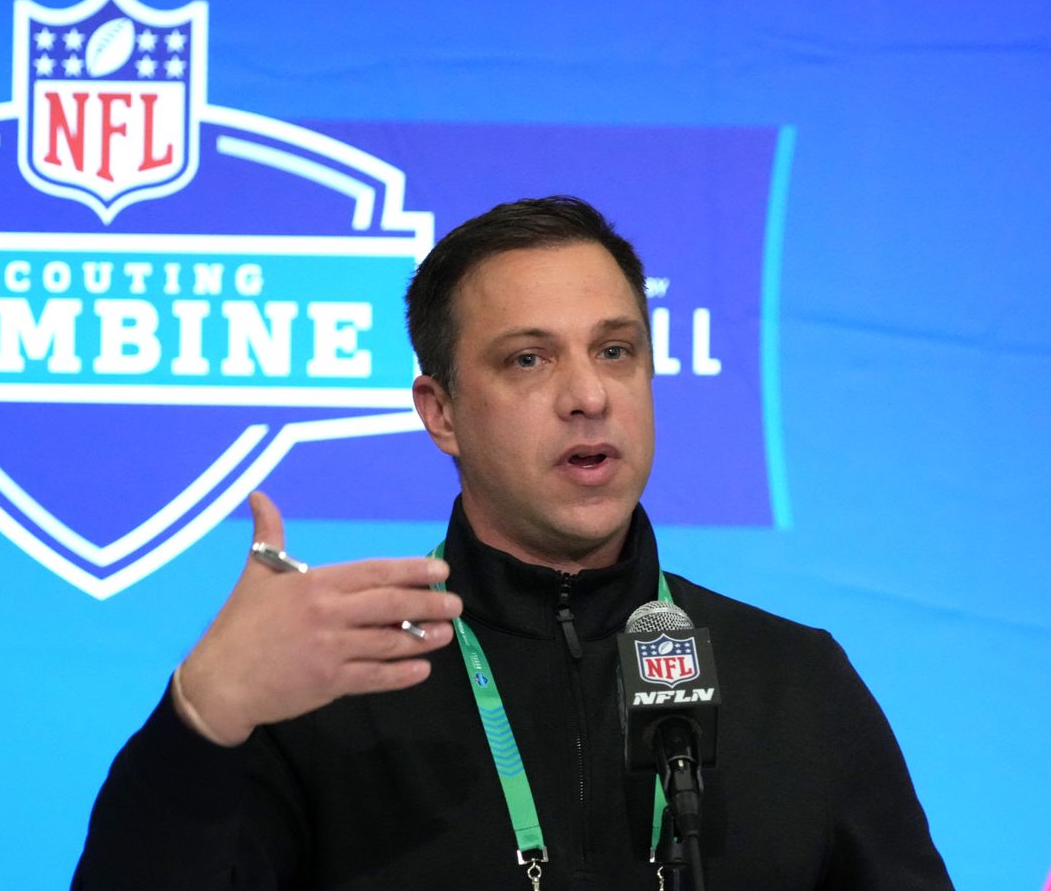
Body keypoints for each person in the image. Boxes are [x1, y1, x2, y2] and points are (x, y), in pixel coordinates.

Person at [73, 196, 955, 890]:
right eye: (528, 360)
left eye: (616, 350)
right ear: (442, 411)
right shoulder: (328, 690)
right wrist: (200, 720)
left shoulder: (795, 683)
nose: (588, 395)